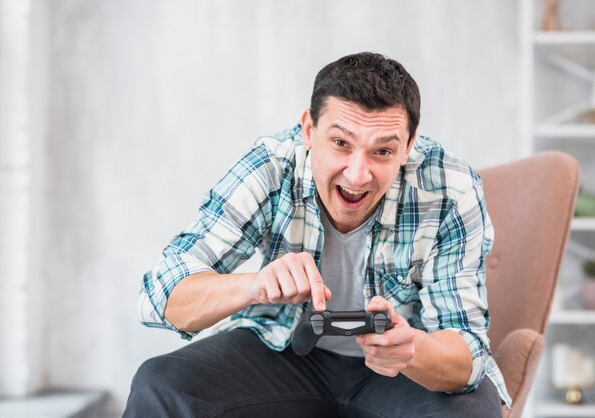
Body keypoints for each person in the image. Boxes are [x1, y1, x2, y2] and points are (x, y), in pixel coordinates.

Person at [124, 52, 511, 418]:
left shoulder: (450, 188)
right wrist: (254, 286)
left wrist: (414, 349)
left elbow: (467, 349)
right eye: (341, 143)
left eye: (382, 152)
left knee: (472, 411)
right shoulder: (272, 167)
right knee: (161, 384)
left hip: (403, 371)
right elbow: (160, 293)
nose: (357, 175)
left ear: (408, 147)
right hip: (282, 350)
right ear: (309, 130)